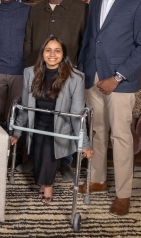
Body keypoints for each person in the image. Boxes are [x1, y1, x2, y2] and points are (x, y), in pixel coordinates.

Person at [78, 0, 141, 216]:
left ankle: (123, 194)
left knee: (121, 136)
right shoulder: (96, 0)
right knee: (97, 132)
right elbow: (90, 39)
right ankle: (98, 180)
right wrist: (83, 71)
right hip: (93, 77)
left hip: (120, 81)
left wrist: (118, 77)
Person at [23, 0, 88, 181]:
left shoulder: (80, 8)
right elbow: (29, 39)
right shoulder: (36, 9)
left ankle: (64, 163)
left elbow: (85, 41)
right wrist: (29, 65)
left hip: (65, 72)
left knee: (65, 116)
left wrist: (76, 70)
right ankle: (36, 161)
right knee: (39, 115)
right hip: (40, 72)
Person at [11, 37, 93, 205]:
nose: (52, 54)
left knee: (49, 148)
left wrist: (85, 143)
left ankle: (48, 185)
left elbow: (77, 114)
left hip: (60, 126)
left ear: (63, 54)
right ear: (43, 53)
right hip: (37, 122)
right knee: (38, 149)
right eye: (48, 50)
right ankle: (43, 181)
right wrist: (17, 132)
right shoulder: (30, 73)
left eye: (57, 50)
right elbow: (26, 106)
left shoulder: (76, 78)